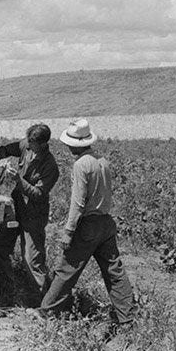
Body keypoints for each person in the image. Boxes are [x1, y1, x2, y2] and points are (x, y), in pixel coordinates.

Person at [39, 118, 135, 324]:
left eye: (68, 143)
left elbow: (78, 202)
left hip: (88, 226)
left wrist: (68, 231)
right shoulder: (102, 161)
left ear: (75, 144)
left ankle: (47, 313)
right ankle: (128, 318)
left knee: (66, 270)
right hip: (106, 223)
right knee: (114, 271)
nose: (66, 146)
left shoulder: (81, 164)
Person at [0, 123, 59, 298]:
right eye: (28, 141)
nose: (28, 145)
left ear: (43, 144)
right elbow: (4, 150)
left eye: (32, 143)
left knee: (32, 260)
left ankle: (45, 303)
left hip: (34, 216)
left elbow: (38, 193)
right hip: (16, 209)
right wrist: (3, 159)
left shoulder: (50, 166)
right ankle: (10, 289)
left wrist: (18, 180)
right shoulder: (25, 145)